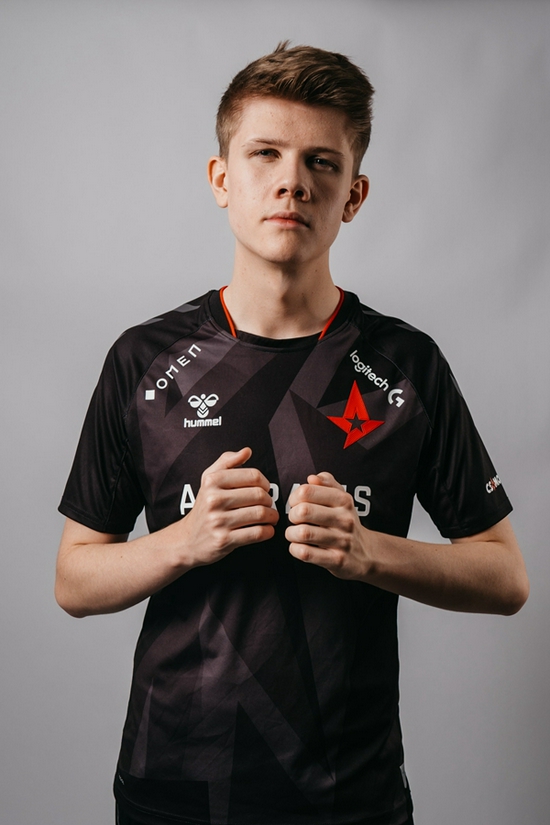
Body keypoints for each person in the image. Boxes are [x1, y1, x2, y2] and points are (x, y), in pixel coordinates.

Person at [55, 42, 529, 825]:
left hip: (352, 798)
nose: (292, 182)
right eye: (265, 154)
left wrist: (371, 551)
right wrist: (185, 539)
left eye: (321, 162)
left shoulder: (405, 364)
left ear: (353, 194)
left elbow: (505, 576)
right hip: (174, 791)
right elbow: (74, 578)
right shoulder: (145, 360)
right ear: (222, 179)